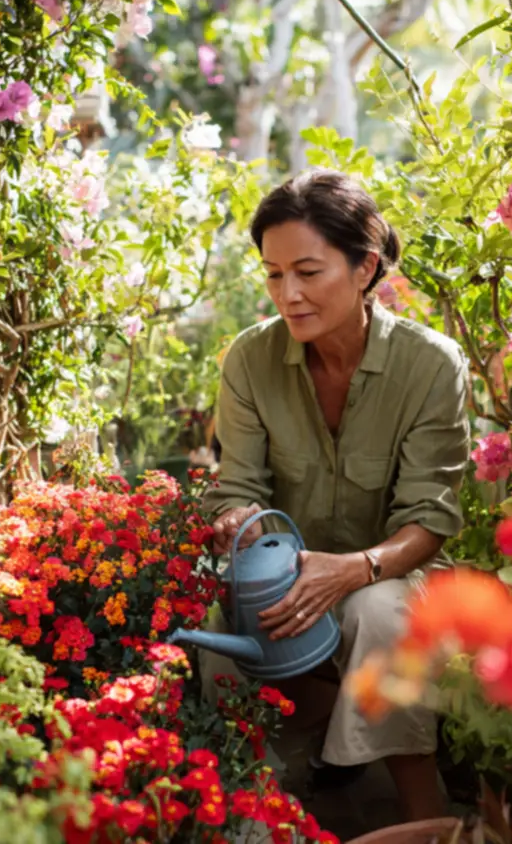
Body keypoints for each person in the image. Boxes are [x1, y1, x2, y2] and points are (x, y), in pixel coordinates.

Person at [200, 169, 470, 822]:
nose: (287, 295)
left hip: (393, 574)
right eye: (272, 274)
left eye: (308, 272)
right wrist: (237, 522)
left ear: (364, 267)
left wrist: (352, 569)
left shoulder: (431, 365)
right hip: (287, 573)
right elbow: (235, 486)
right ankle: (253, 811)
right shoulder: (249, 361)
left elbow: (429, 516)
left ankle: (420, 818)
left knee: (377, 613)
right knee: (213, 626)